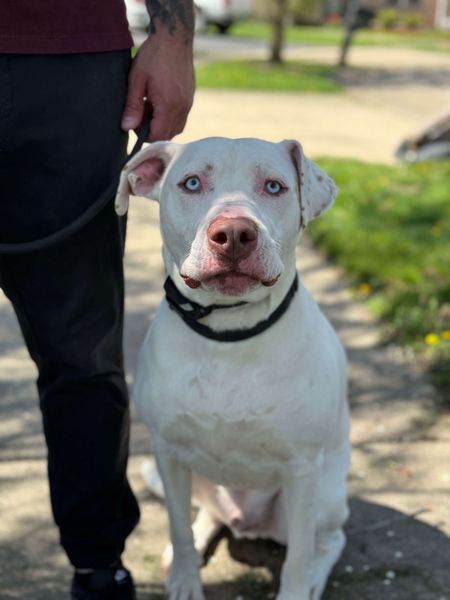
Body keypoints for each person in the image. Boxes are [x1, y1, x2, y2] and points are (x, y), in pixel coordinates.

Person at [0, 1, 195, 598]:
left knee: (82, 352)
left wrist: (172, 37)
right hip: (68, 65)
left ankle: (98, 562)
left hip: (66, 62)